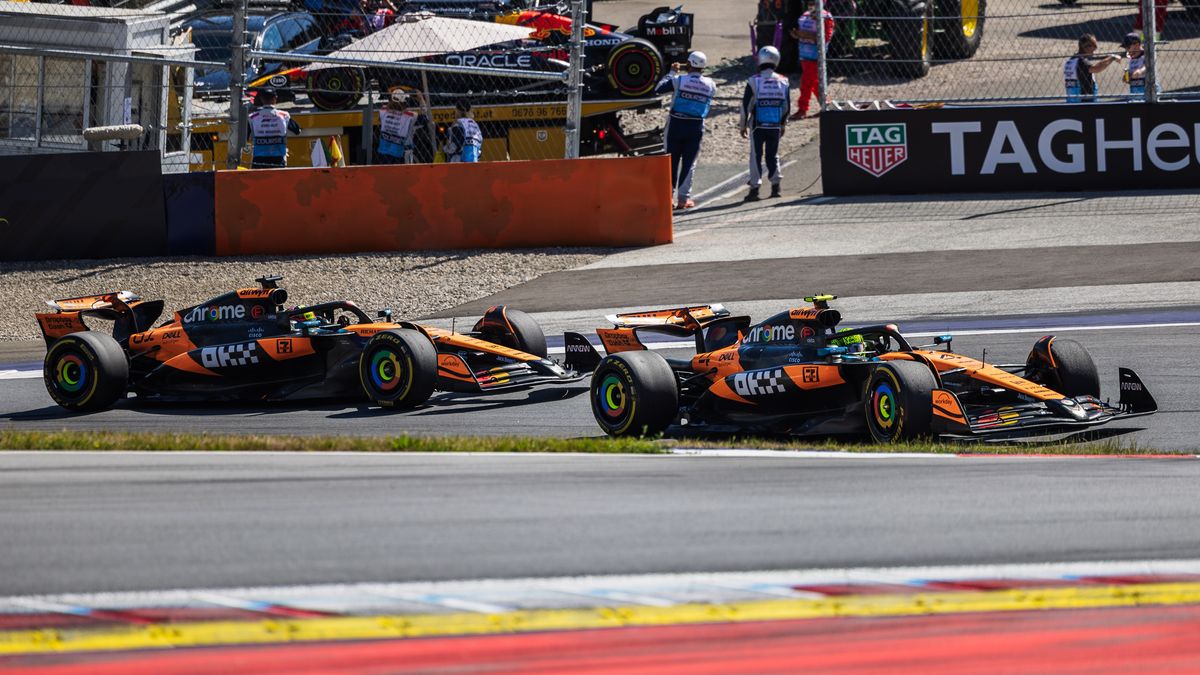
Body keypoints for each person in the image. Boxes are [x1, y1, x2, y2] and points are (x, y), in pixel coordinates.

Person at [654, 50, 717, 210]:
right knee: (690, 162)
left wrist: (671, 72)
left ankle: (668, 198)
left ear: (688, 64)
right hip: (696, 125)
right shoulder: (711, 84)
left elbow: (659, 89)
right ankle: (683, 199)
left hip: (676, 123)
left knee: (670, 161)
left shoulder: (679, 80)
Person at [740, 46, 790, 201]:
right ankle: (776, 186)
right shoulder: (784, 81)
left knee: (756, 155)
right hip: (775, 124)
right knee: (772, 154)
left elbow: (745, 105)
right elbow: (786, 106)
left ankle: (754, 189)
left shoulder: (754, 80)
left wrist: (742, 125)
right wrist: (783, 124)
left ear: (760, 59)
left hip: (757, 125)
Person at [789, 0, 834, 121]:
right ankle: (827, 106)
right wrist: (797, 34)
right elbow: (802, 32)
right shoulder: (805, 15)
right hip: (804, 54)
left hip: (816, 56)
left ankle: (802, 109)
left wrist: (804, 35)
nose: (810, 4)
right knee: (814, 83)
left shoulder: (825, 17)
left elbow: (826, 37)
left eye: (813, 1)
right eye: (809, 2)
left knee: (806, 83)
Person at [247, 88, 301, 168]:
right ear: (275, 98)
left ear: (261, 99)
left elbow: (245, 137)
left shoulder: (253, 117)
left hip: (259, 160)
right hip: (278, 159)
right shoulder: (284, 115)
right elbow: (297, 131)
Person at [1064, 34, 1121, 103]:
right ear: (1085, 46)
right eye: (1093, 45)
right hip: (1084, 101)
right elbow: (1096, 68)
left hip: (1072, 99)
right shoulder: (1081, 61)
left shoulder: (1071, 60)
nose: (1096, 48)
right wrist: (1112, 57)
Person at [377, 91, 420, 164]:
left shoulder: (383, 111)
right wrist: (421, 99)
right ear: (404, 102)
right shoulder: (411, 116)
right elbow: (426, 119)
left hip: (385, 152)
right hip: (403, 153)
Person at [1121, 32, 1153, 100]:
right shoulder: (1131, 58)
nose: (1127, 50)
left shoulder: (1146, 55)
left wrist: (1140, 71)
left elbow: (1149, 65)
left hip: (1148, 90)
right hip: (1135, 91)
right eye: (1126, 48)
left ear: (1137, 45)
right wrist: (1127, 77)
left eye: (1128, 47)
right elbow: (1132, 75)